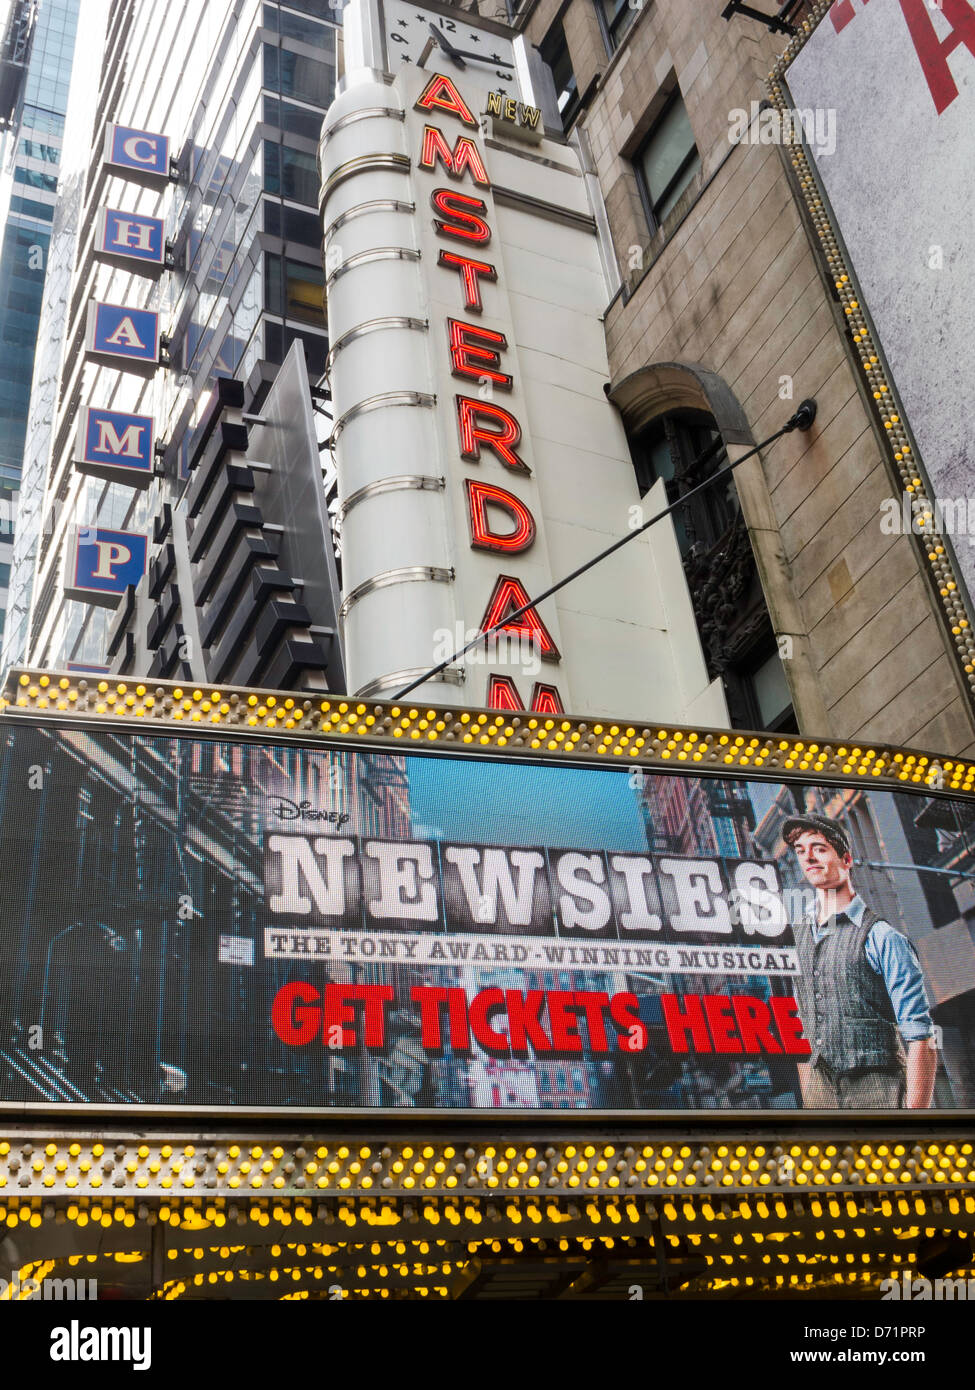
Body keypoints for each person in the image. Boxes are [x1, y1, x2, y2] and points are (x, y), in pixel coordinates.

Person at [783, 812, 938, 1110]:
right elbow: (802, 1024)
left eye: (820, 848)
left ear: (847, 860)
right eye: (801, 851)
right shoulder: (797, 935)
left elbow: (921, 1039)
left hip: (876, 1087)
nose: (809, 858)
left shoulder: (882, 937)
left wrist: (915, 1122)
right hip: (818, 1091)